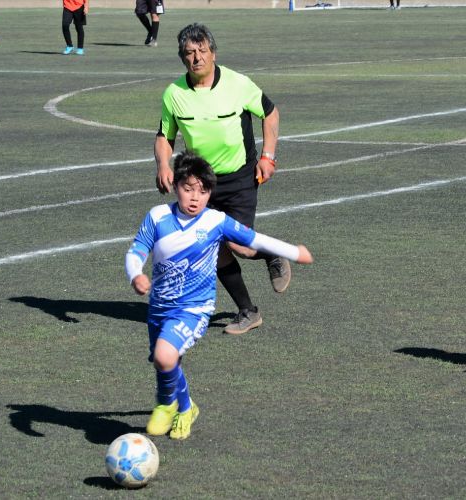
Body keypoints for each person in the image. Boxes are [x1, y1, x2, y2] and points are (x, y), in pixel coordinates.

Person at [126, 152, 313, 440]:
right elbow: (137, 250)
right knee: (167, 361)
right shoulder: (157, 216)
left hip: (194, 308)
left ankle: (165, 404)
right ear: (175, 186)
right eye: (188, 188)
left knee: (165, 356)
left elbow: (255, 239)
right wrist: (136, 274)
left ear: (210, 193)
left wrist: (293, 252)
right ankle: (186, 408)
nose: (194, 197)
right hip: (159, 307)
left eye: (203, 191)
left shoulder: (215, 221)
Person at [154, 23, 287, 336]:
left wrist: (268, 156)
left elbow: (270, 113)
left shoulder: (237, 84)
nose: (197, 58)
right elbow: (164, 135)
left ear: (213, 53)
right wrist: (163, 164)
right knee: (208, 245)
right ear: (182, 58)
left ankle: (273, 253)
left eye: (202, 50)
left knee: (238, 244)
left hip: (240, 176)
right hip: (201, 182)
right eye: (190, 53)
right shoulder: (174, 94)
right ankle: (248, 311)